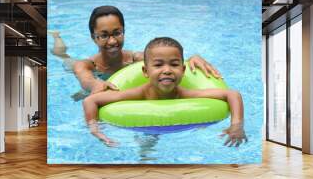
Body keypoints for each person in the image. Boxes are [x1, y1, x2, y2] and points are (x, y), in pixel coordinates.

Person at [83, 37, 246, 147]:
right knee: (146, 145)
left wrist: (237, 126)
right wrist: (94, 127)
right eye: (159, 65)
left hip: (173, 123)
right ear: (145, 72)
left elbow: (233, 94)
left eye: (174, 65)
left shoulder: (185, 94)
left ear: (183, 71)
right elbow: (90, 101)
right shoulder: (139, 93)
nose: (167, 70)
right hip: (144, 125)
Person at [51, 5, 222, 98]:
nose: (112, 41)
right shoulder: (86, 65)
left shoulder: (135, 59)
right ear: (93, 38)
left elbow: (164, 58)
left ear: (123, 31)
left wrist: (192, 57)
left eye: (117, 33)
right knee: (66, 60)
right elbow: (86, 79)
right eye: (104, 36)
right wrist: (96, 84)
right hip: (97, 75)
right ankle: (57, 40)